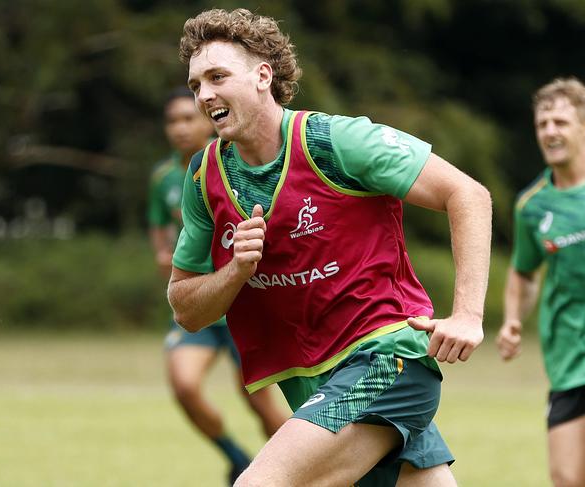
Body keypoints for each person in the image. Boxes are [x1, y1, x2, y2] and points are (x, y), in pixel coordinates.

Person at [167, 8, 492, 486]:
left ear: (262, 76)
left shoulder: (335, 141)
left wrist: (467, 315)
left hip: (387, 359)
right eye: (196, 84)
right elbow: (186, 308)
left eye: (218, 76)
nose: (204, 94)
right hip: (315, 383)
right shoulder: (203, 175)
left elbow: (467, 194)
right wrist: (235, 270)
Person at [497, 77, 585, 487]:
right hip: (569, 351)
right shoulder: (533, 204)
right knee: (570, 479)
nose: (549, 132)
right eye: (542, 124)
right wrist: (512, 320)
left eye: (560, 122)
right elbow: (524, 272)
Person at [147, 86, 287, 484]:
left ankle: (301, 471)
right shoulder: (162, 178)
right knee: (184, 385)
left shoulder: (230, 162)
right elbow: (157, 226)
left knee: (260, 406)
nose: (180, 128)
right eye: (172, 120)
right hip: (200, 308)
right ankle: (238, 458)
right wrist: (162, 254)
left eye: (188, 118)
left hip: (244, 306)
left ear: (207, 118)